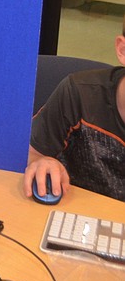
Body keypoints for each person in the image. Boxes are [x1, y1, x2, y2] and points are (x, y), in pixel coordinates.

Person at [23, 19, 125, 203]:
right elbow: (30, 153)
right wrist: (39, 161)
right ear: (122, 50)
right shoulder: (80, 94)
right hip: (71, 219)